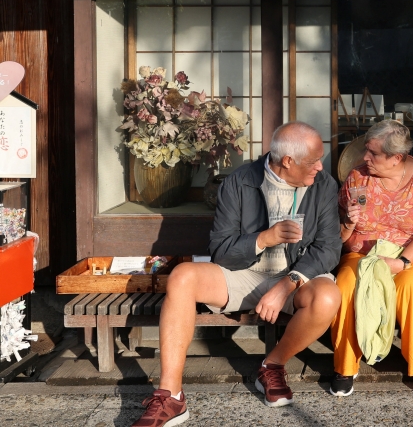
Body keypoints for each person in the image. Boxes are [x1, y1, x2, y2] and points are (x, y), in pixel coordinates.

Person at [131, 122, 342, 427]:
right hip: (244, 273)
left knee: (327, 297)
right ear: (287, 161)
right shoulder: (240, 181)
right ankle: (171, 396)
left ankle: (272, 364)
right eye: (313, 161)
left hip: (295, 277)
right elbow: (221, 250)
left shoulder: (323, 184)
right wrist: (264, 239)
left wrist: (287, 283)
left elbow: (329, 248)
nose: (320, 167)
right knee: (181, 277)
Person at [330, 119, 413, 397]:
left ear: (397, 158)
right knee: (345, 286)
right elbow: (338, 237)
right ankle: (344, 365)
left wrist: (402, 263)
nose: (364, 158)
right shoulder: (357, 177)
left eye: (373, 153)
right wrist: (347, 222)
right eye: (366, 150)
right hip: (363, 254)